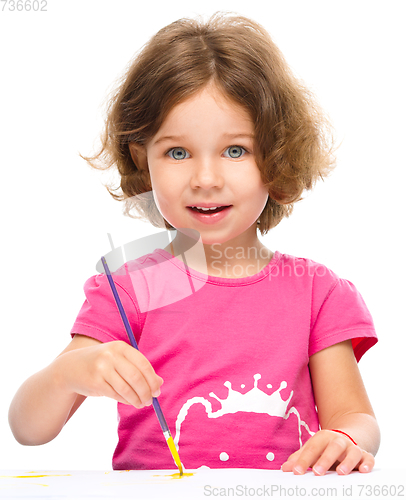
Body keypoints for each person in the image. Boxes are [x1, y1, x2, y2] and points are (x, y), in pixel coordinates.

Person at [8, 13, 380, 475]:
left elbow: (355, 417)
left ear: (277, 155)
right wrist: (69, 374)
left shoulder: (314, 292)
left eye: (235, 150)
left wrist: (344, 438)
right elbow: (27, 427)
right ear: (142, 161)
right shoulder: (134, 288)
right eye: (178, 153)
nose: (206, 179)